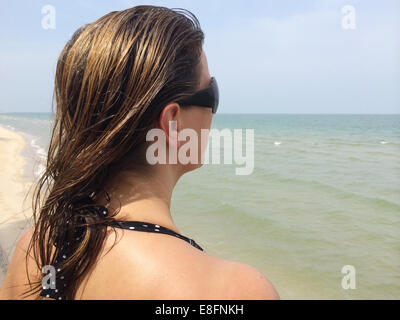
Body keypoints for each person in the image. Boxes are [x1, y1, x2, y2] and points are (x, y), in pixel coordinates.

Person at [0, 5, 279, 300]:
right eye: (212, 94)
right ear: (173, 122)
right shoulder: (233, 290)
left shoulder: (36, 251)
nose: (213, 113)